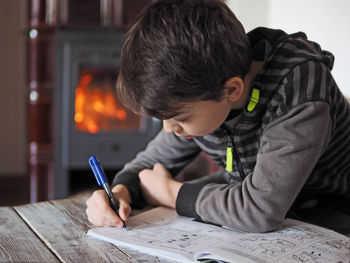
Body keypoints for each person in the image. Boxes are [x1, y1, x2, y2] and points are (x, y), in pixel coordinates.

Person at [86, 0, 350, 233]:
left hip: (330, 217)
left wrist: (169, 192)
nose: (168, 129)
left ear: (232, 90)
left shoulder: (298, 89)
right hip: (267, 212)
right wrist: (122, 191)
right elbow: (148, 165)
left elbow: (260, 210)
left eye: (179, 117)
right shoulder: (206, 90)